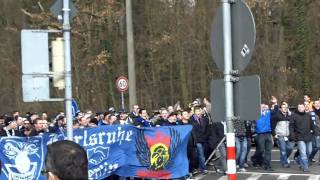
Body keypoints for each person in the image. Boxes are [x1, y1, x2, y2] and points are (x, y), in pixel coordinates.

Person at [251, 102, 277, 171]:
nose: (263, 107)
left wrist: (275, 103)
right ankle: (254, 158)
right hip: (260, 134)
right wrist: (253, 134)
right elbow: (252, 125)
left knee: (268, 151)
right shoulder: (255, 114)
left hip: (268, 133)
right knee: (261, 149)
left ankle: (267, 165)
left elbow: (275, 111)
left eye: (264, 106)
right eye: (261, 106)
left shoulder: (268, 113)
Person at [290, 104, 314, 172]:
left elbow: (312, 125)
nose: (300, 108)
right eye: (299, 107)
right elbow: (291, 127)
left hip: (308, 136)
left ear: (304, 108)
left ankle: (297, 159)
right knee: (303, 153)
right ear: (297, 108)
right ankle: (305, 167)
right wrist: (292, 136)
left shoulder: (308, 115)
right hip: (300, 136)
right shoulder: (294, 116)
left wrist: (314, 132)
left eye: (302, 107)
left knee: (309, 152)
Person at [271, 102, 294, 168]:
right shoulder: (277, 116)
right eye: (283, 107)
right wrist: (274, 134)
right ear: (280, 109)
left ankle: (284, 158)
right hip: (280, 136)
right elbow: (272, 126)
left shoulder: (290, 115)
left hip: (288, 136)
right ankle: (285, 163)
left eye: (286, 107)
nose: (285, 109)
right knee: (283, 150)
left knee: (290, 148)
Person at [190, 106, 209, 174]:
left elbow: (207, 129)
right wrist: (196, 140)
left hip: (204, 139)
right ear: (194, 112)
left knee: (203, 153)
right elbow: (193, 131)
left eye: (199, 111)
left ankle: (200, 167)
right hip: (197, 140)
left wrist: (206, 137)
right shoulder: (191, 119)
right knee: (201, 154)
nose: (198, 113)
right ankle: (204, 168)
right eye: (197, 112)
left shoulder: (205, 119)